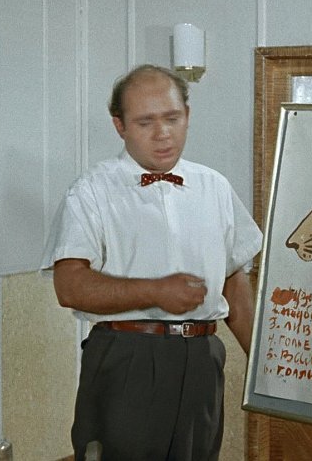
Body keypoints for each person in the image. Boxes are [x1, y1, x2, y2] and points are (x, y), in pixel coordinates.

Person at [40, 64, 263, 461]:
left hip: (203, 358)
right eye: (145, 122)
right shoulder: (91, 191)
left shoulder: (215, 186)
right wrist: (154, 291)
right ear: (119, 126)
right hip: (128, 358)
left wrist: (265, 366)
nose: (163, 134)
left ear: (187, 115)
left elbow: (234, 279)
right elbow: (69, 285)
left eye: (172, 118)